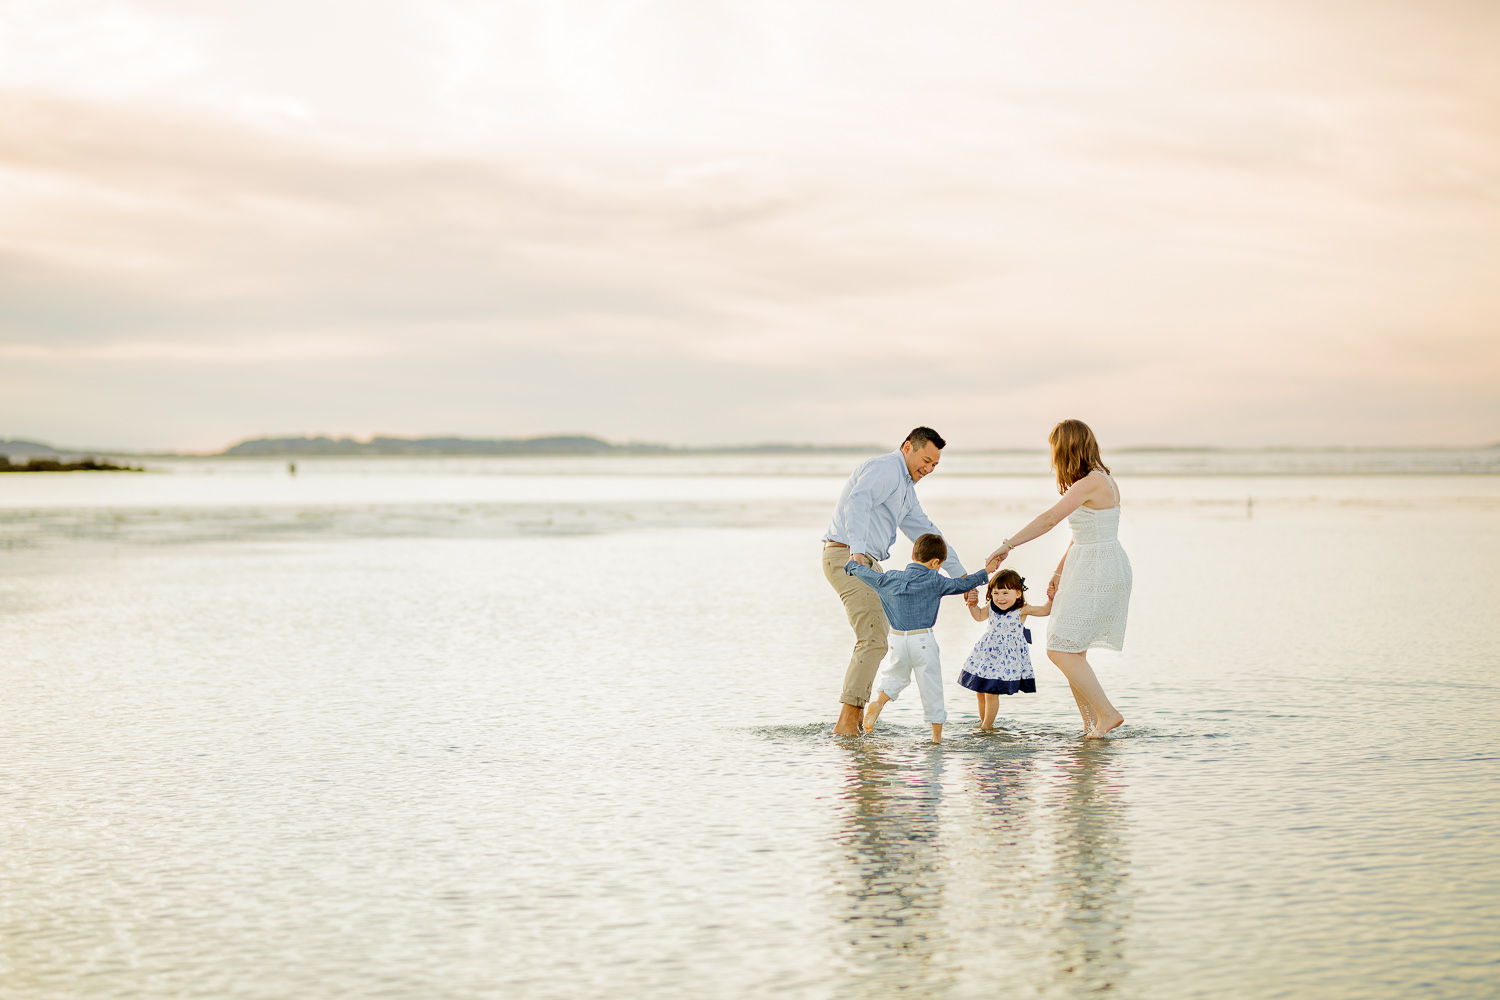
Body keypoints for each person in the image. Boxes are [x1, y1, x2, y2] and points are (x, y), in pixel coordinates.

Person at [987, 419, 1132, 737]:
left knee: (1059, 649)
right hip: (1089, 562)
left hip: (1097, 568)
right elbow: (1083, 533)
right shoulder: (1098, 479)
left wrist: (1007, 545)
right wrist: (1057, 571)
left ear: (1066, 449)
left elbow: (1051, 519)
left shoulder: (1092, 482)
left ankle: (1106, 713)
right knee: (1073, 649)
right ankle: (1092, 725)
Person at [821, 427, 970, 735]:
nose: (928, 469)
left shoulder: (905, 491)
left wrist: (963, 577)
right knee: (873, 640)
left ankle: (857, 721)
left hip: (865, 561)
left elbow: (928, 535)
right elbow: (857, 502)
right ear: (907, 448)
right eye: (926, 460)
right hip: (848, 557)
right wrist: (858, 553)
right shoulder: (885, 468)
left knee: (879, 638)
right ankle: (847, 726)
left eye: (934, 465)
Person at [846, 533, 995, 743]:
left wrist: (853, 565)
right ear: (935, 562)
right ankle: (936, 739)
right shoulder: (934, 580)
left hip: (897, 640)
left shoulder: (888, 578)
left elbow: (863, 572)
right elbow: (962, 584)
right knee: (931, 686)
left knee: (895, 677)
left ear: (913, 555)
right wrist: (986, 571)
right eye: (940, 565)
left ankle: (878, 703)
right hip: (922, 641)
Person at [959, 569, 1050, 730]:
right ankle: (984, 724)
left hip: (1006, 657)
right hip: (987, 655)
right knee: (980, 690)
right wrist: (972, 605)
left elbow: (1044, 610)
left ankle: (987, 727)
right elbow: (979, 616)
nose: (1000, 598)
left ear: (1018, 593)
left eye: (1005, 593)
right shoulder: (991, 606)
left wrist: (1051, 598)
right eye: (996, 593)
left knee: (992, 691)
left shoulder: (1021, 609)